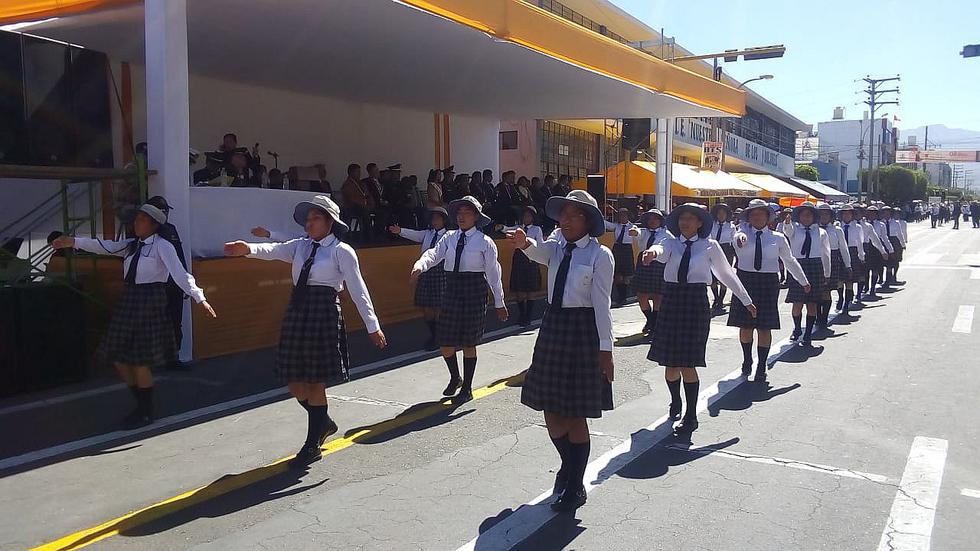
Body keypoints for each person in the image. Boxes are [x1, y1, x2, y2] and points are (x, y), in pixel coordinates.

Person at [223, 195, 387, 468]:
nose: (309, 224)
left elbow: (358, 290)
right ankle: (323, 421)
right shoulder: (300, 246)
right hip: (298, 311)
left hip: (323, 313)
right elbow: (273, 250)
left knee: (315, 382)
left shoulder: (342, 251)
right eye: (307, 219)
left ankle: (312, 445)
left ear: (330, 222)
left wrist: (373, 326)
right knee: (293, 380)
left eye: (315, 218)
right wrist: (246, 248)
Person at [51, 204, 217, 428]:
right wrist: (72, 242)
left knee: (139, 360)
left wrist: (199, 297)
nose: (136, 223)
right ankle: (141, 404)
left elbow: (180, 274)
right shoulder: (131, 245)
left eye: (142, 220)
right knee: (118, 357)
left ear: (154, 225)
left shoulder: (163, 246)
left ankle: (145, 412)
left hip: (150, 301)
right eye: (136, 219)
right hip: (130, 300)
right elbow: (104, 246)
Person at [511, 189, 614, 512]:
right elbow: (537, 252)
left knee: (574, 413)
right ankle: (567, 465)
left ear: (589, 220)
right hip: (553, 326)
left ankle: (575, 485)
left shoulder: (600, 255)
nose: (566, 221)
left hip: (582, 331)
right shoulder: (555, 247)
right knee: (551, 410)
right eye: (563, 215)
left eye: (574, 215)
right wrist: (524, 243)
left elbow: (602, 305)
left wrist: (606, 350)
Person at [642, 203, 756, 434]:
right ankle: (675, 401)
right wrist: (651, 253)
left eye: (690, 219)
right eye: (682, 218)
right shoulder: (670, 241)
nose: (685, 222)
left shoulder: (710, 245)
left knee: (688, 363)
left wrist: (746, 300)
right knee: (670, 363)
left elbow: (726, 274)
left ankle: (691, 415)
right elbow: (659, 250)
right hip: (672, 300)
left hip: (695, 303)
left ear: (700, 223)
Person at [411, 196, 507, 403]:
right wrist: (420, 265)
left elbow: (494, 274)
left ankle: (467, 388)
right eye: (459, 213)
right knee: (445, 341)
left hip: (474, 290)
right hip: (451, 288)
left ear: (476, 217)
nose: (461, 217)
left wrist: (499, 302)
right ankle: (455, 377)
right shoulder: (449, 237)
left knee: (468, 342)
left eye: (467, 213)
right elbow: (434, 254)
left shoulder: (485, 242)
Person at [730, 199, 807, 382]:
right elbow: (737, 239)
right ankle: (747, 359)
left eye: (761, 214)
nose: (757, 217)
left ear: (767, 217)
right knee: (745, 326)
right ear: (749, 217)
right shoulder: (741, 233)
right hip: (745, 281)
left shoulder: (778, 238)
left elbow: (789, 260)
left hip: (768, 283)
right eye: (753, 214)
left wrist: (803, 280)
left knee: (764, 327)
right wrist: (740, 238)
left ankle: (761, 365)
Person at [389, 208, 450, 350]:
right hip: (426, 272)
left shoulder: (449, 236)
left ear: (444, 220)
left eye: (437, 218)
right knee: (426, 307)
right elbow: (415, 234)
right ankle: (434, 335)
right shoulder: (428, 234)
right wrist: (400, 231)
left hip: (441, 272)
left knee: (439, 306)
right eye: (433, 218)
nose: (434, 221)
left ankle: (440, 336)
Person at [142, 196, 191, 371]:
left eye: (166, 211)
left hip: (173, 284)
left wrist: (186, 282)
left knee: (174, 321)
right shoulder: (144, 232)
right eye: (162, 211)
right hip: (154, 285)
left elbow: (179, 256)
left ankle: (173, 357)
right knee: (152, 322)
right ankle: (151, 359)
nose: (166, 214)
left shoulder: (171, 229)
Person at [780, 201, 831, 346]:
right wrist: (787, 223)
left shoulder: (821, 232)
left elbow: (826, 253)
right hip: (798, 266)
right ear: (799, 216)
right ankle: (797, 328)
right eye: (803, 215)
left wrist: (827, 273)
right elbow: (787, 231)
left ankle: (808, 333)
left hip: (815, 267)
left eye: (809, 215)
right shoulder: (795, 229)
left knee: (812, 303)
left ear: (814, 217)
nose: (806, 217)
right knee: (797, 302)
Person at [628, 209, 671, 336]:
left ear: (660, 220)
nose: (652, 221)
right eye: (650, 218)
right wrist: (634, 231)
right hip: (644, 264)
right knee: (642, 295)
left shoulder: (666, 233)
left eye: (655, 218)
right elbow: (636, 231)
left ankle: (654, 323)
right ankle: (650, 319)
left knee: (658, 295)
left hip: (659, 263)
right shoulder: (644, 232)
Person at [500, 206, 544, 328]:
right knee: (519, 289)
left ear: (533, 218)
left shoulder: (537, 229)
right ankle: (522, 314)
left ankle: (528, 316)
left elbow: (540, 244)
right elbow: (507, 230)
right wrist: (501, 227)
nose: (526, 218)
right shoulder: (518, 228)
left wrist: (534, 256)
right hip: (519, 259)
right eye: (524, 216)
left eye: (529, 216)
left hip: (531, 259)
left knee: (530, 289)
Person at [816, 202, 851, 328]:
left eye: (826, 214)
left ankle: (824, 318)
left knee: (826, 292)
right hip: (816, 261)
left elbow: (844, 248)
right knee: (816, 293)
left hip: (832, 261)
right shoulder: (813, 230)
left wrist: (848, 265)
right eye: (821, 214)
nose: (824, 217)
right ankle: (818, 316)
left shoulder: (837, 230)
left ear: (831, 216)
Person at [708, 203, 737, 313]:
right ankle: (716, 298)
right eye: (719, 213)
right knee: (713, 277)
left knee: (724, 276)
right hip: (713, 248)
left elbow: (734, 240)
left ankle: (721, 300)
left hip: (726, 250)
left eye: (723, 213)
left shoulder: (731, 226)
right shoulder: (712, 225)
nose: (721, 215)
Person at [605, 208, 637, 308]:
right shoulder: (616, 226)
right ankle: (620, 296)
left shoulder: (632, 226)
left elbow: (637, 232)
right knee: (617, 274)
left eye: (624, 215)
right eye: (620, 216)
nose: (622, 218)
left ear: (627, 216)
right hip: (617, 249)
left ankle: (624, 296)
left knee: (626, 275)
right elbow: (606, 224)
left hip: (627, 249)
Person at [837, 204, 865, 314]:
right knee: (840, 280)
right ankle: (840, 298)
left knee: (849, 281)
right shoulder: (837, 226)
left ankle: (847, 304)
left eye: (849, 213)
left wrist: (861, 256)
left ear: (852, 215)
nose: (846, 215)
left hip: (853, 252)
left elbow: (860, 243)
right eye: (844, 213)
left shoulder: (857, 227)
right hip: (840, 253)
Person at [341, 163, 376, 242]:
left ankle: (378, 234)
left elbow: (368, 194)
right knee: (364, 212)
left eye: (359, 172)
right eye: (357, 172)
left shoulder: (362, 183)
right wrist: (364, 203)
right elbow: (352, 199)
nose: (359, 174)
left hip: (364, 206)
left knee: (380, 212)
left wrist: (371, 203)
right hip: (352, 208)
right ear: (351, 173)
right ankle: (368, 237)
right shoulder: (347, 184)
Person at [869, 206, 895, 291]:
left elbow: (885, 238)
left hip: (877, 248)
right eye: (870, 213)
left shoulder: (881, 225)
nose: (872, 215)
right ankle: (865, 286)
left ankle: (872, 288)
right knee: (865, 271)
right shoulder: (864, 224)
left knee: (875, 269)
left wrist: (890, 250)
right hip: (867, 248)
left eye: (873, 213)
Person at [881, 206, 906, 285]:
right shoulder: (881, 223)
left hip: (895, 242)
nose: (886, 215)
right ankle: (884, 279)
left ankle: (893, 277)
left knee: (895, 261)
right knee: (885, 262)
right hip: (884, 242)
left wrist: (903, 244)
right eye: (884, 213)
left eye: (888, 213)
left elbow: (900, 234)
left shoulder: (896, 223)